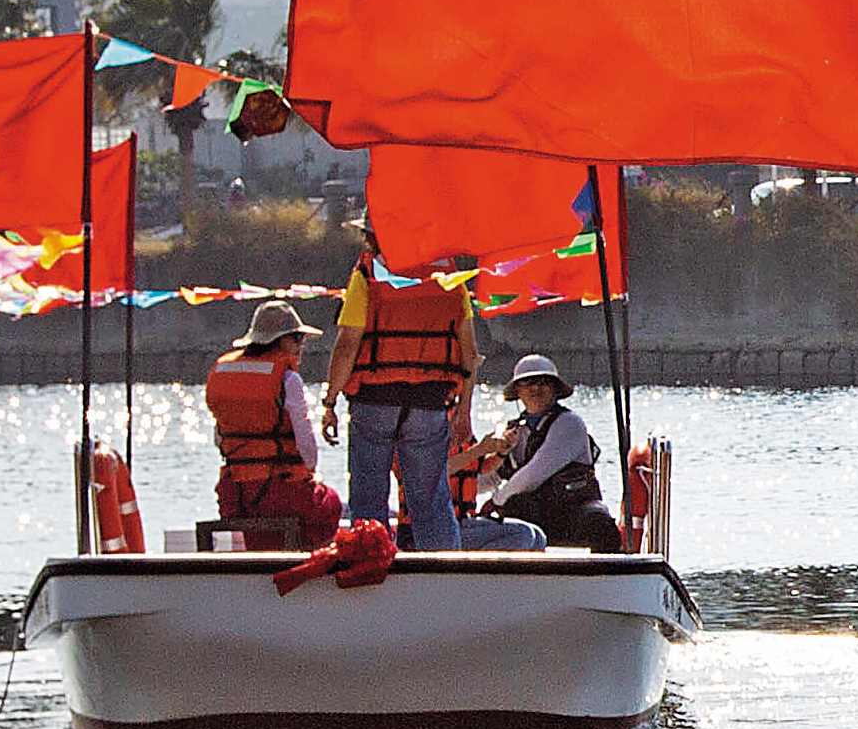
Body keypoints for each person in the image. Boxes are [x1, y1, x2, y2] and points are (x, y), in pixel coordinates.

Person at [327, 233, 476, 550]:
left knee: (369, 496)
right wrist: (464, 410)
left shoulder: (367, 274)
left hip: (374, 400)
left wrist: (329, 402)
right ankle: (444, 569)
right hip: (430, 402)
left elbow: (347, 345)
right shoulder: (450, 277)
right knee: (431, 500)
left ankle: (369, 562)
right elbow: (469, 353)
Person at [201, 301, 343, 544]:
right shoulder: (288, 379)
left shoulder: (223, 372)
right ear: (279, 340)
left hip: (235, 495)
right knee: (330, 503)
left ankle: (264, 560)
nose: (301, 345)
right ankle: (303, 564)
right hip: (280, 491)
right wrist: (309, 473)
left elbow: (219, 439)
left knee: (264, 528)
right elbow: (307, 449)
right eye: (297, 338)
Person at [475, 354, 626, 551]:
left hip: (572, 512)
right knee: (514, 509)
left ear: (555, 388)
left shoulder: (570, 423)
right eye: (528, 382)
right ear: (517, 390)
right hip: (536, 513)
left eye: (544, 382)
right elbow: (491, 477)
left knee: (598, 523)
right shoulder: (513, 431)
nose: (536, 388)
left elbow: (533, 474)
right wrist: (459, 488)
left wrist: (495, 501)